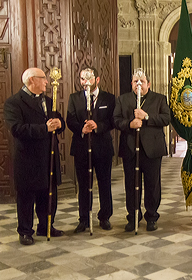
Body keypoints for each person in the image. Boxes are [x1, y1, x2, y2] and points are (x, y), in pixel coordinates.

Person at [3, 67, 65, 245]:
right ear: (32, 80)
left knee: (48, 194)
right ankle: (25, 231)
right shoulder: (14, 103)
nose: (46, 81)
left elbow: (58, 122)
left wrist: (59, 123)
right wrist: (45, 128)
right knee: (26, 197)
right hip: (28, 158)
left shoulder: (47, 100)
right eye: (43, 78)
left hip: (48, 156)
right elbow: (17, 129)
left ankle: (46, 226)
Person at [113, 69, 170, 232]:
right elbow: (116, 120)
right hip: (130, 148)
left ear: (148, 84)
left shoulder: (159, 99)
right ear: (131, 84)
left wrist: (146, 117)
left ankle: (151, 216)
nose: (139, 85)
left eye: (142, 82)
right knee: (131, 185)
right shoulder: (123, 100)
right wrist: (129, 124)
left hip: (152, 149)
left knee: (152, 185)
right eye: (135, 82)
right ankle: (133, 216)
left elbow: (166, 118)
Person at [66, 67, 115, 232]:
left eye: (89, 78)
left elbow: (112, 121)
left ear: (97, 79)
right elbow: (70, 119)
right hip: (81, 147)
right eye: (82, 79)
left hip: (103, 147)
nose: (85, 82)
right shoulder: (74, 98)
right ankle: (84, 219)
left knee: (104, 183)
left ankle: (105, 216)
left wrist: (97, 126)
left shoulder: (108, 98)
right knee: (84, 185)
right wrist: (82, 128)